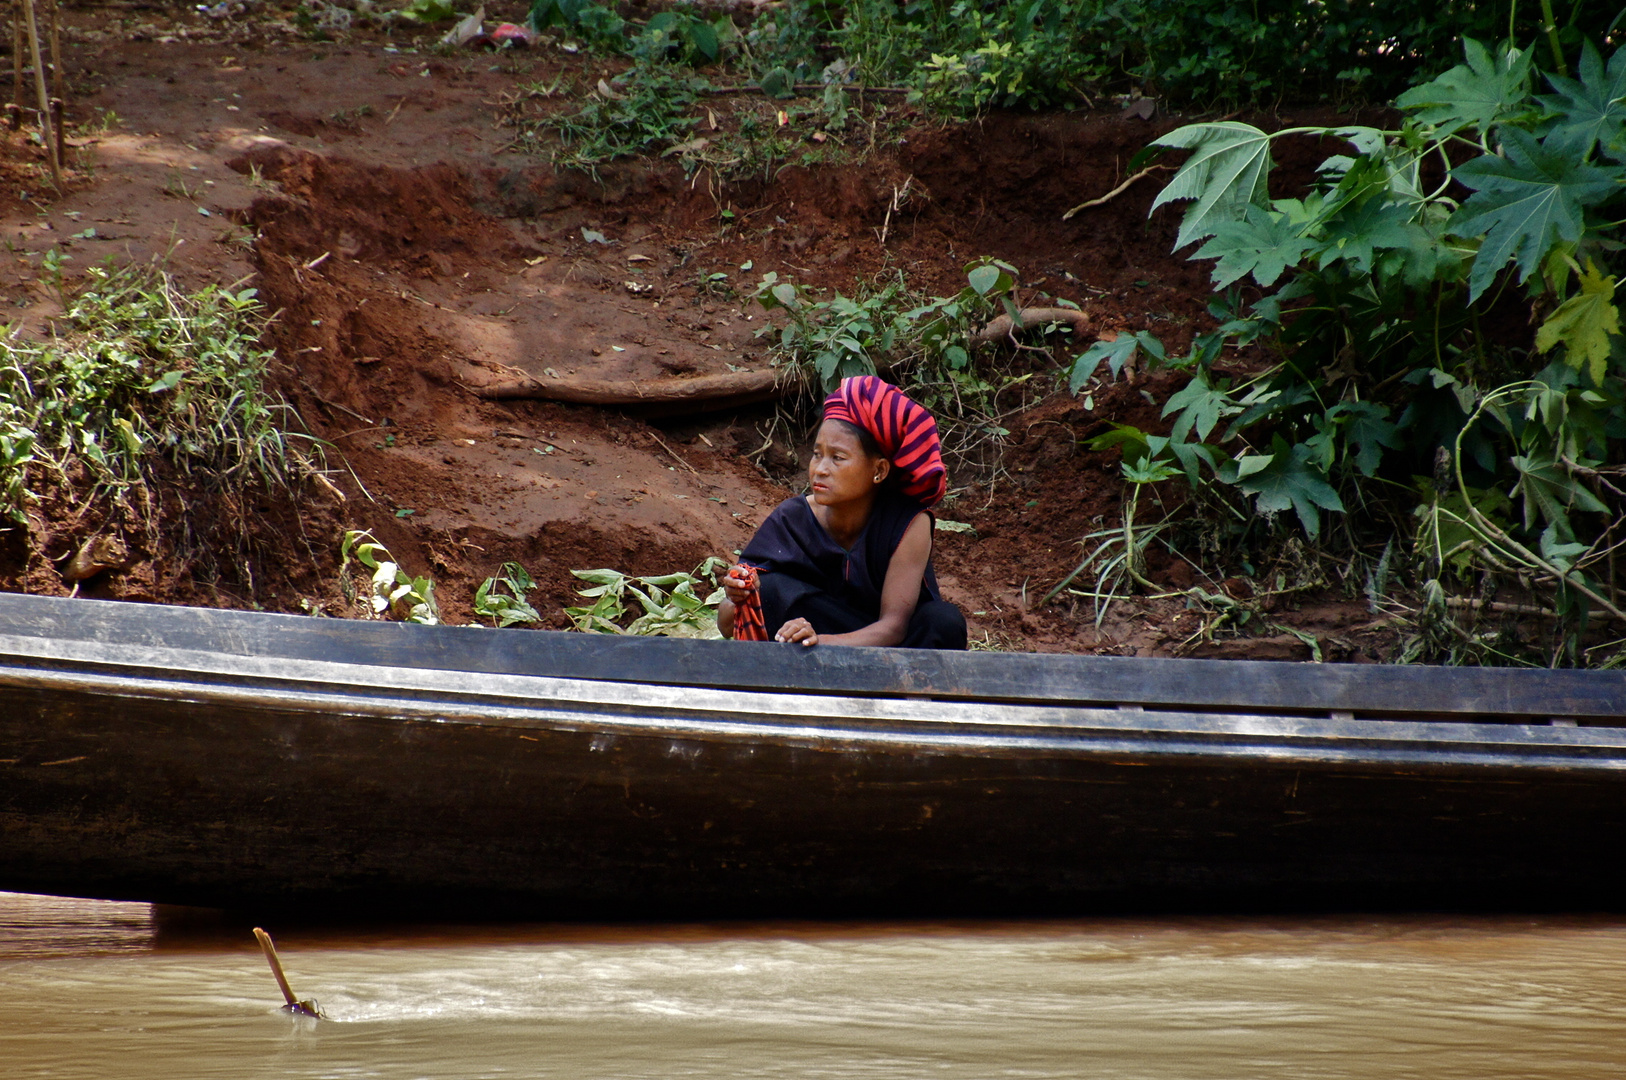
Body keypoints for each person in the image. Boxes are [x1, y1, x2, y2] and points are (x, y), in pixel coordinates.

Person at [717, 375, 968, 649]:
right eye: (816, 454)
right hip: (807, 652)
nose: (820, 469)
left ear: (879, 470)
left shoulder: (908, 523)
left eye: (837, 458)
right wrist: (737, 597)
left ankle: (904, 694)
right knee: (772, 588)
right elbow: (727, 624)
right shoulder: (792, 519)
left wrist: (819, 643)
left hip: (889, 658)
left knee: (944, 620)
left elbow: (894, 628)